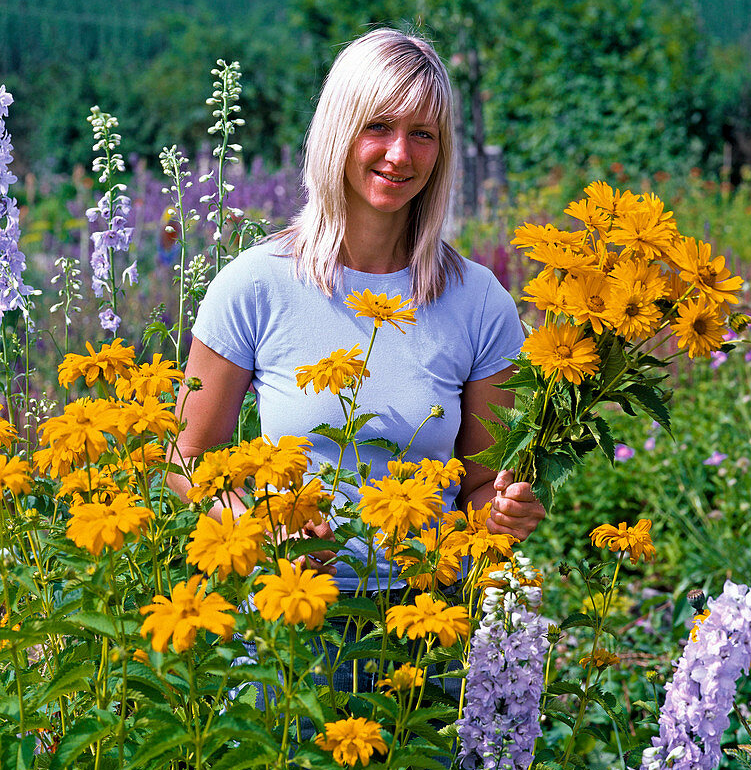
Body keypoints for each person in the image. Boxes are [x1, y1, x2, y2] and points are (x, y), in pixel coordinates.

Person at [169, 29, 544, 588]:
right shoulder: (254, 285)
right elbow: (187, 455)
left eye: (423, 134)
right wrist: (260, 529)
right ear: (338, 130)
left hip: (425, 633)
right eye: (379, 126)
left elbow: (479, 485)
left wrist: (503, 512)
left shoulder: (479, 301)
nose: (400, 154)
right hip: (289, 629)